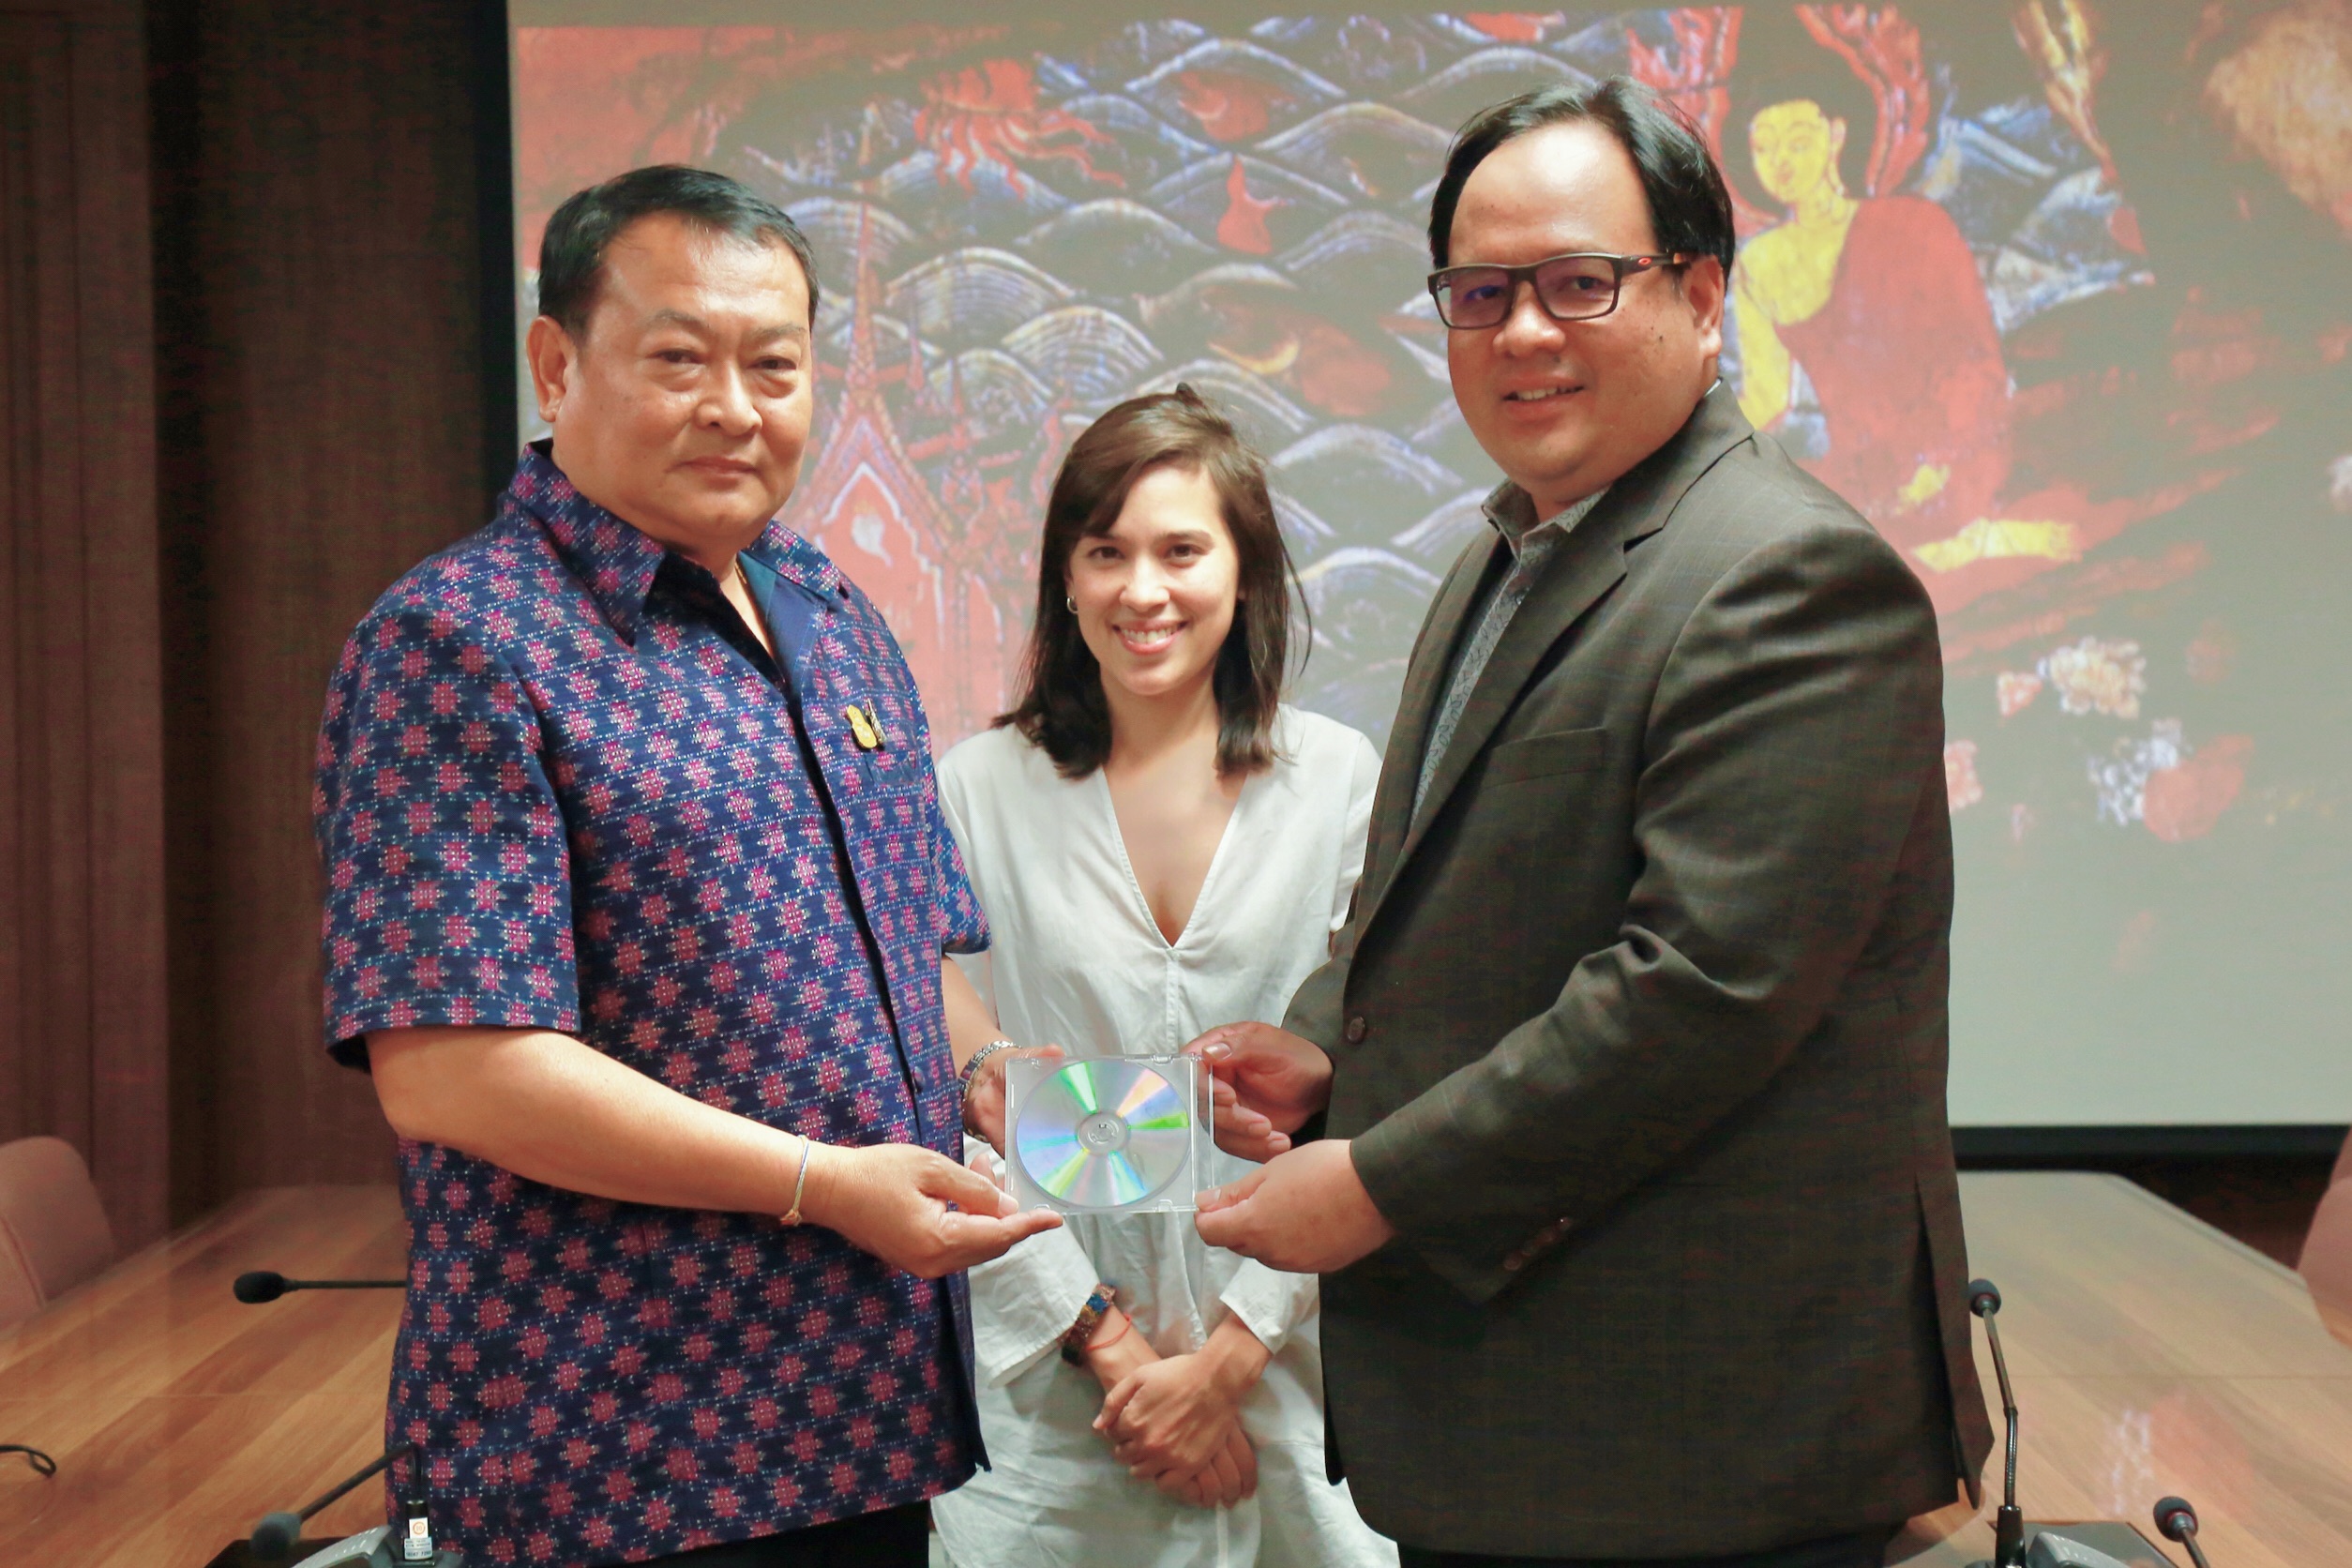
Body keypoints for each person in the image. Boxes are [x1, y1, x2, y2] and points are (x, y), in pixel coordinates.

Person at [1190, 79, 1994, 1568]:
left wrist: (1376, 1184)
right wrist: (1325, 1047)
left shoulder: (1787, 575)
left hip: (1696, 1440)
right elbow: (1438, 895)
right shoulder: (1508, 553)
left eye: (1578, 283)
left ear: (1703, 296)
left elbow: (1701, 990)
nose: (1523, 333)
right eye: (1479, 293)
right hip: (1531, 1421)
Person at [312, 165, 1060, 1568]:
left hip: (867, 1421)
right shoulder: (460, 643)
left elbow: (905, 962)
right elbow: (453, 1069)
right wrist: (824, 1184)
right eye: (678, 359)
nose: (734, 406)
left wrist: (1028, 1089)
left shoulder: (830, 609)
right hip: (620, 1454)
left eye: (774, 365)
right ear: (556, 366)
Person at [927, 388, 1395, 1568]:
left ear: (1244, 572)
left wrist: (1230, 1358)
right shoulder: (975, 789)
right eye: (1107, 553)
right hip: (1056, 1396)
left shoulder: (1339, 779)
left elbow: (1380, 1071)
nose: (1143, 590)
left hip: (1300, 1373)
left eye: (1182, 550)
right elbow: (967, 1101)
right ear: (1065, 577)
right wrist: (1114, 1348)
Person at [1725, 24, 2012, 557]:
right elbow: (1767, 398)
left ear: (1837, 135)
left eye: (1798, 141)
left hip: (1953, 456)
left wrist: (1934, 456)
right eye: (1763, 147)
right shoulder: (1759, 263)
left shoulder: (1914, 226)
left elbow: (1975, 363)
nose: (1782, 162)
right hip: (1864, 477)